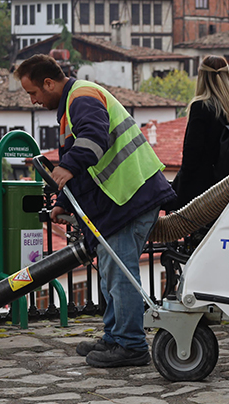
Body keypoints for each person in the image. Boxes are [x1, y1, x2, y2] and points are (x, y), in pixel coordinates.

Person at [15, 55, 176, 368]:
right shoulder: (71, 106)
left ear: (49, 83)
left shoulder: (82, 97)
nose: (33, 100)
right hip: (122, 200)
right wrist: (63, 201)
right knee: (111, 273)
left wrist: (66, 169)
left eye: (33, 92)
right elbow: (85, 165)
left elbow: (94, 140)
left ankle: (131, 345)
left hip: (130, 196)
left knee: (120, 274)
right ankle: (115, 336)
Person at [164, 55, 229, 210]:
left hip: (206, 192)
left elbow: (191, 155)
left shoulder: (201, 107)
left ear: (202, 77)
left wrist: (178, 192)